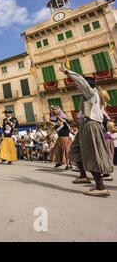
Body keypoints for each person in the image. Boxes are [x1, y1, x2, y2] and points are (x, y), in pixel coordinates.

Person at [60, 66, 113, 197]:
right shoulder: (90, 96)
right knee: (75, 150)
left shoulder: (90, 93)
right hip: (84, 125)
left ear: (87, 86)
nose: (78, 87)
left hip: (90, 126)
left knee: (91, 154)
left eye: (81, 86)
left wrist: (67, 72)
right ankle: (83, 176)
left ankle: (101, 187)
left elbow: (82, 82)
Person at [49, 105, 72, 170]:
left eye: (56, 109)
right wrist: (52, 122)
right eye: (54, 110)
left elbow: (63, 122)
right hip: (60, 138)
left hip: (65, 138)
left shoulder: (64, 121)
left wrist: (57, 116)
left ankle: (68, 165)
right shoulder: (57, 123)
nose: (54, 110)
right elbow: (55, 124)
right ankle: (59, 162)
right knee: (56, 150)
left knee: (66, 152)